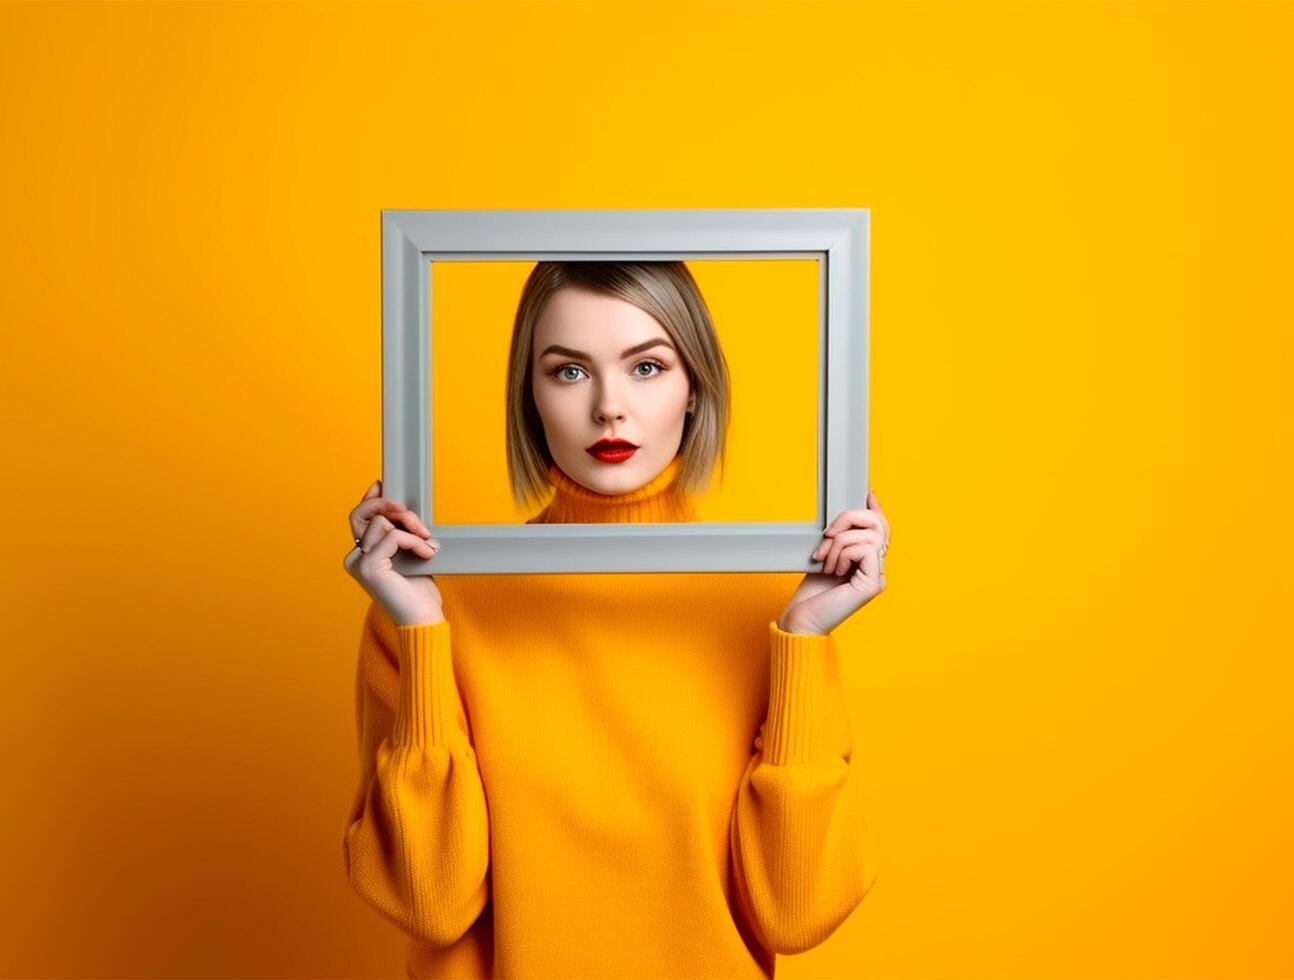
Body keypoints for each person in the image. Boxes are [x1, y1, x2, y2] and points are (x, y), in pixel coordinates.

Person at [341, 261, 891, 979]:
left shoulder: (773, 613)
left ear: (695, 387)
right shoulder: (432, 607)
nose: (609, 408)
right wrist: (420, 632)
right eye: (569, 372)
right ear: (528, 397)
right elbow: (431, 906)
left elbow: (798, 912)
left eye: (648, 367)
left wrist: (803, 641)